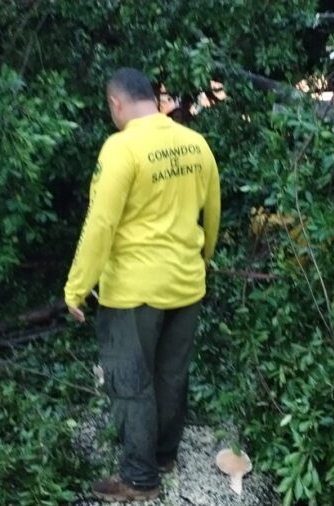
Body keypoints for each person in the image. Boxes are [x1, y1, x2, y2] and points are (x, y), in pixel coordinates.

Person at [64, 67, 221, 502]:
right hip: (186, 285)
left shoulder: (122, 147)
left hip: (133, 292)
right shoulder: (195, 143)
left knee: (130, 381)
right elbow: (213, 214)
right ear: (152, 98)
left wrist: (77, 287)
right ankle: (165, 455)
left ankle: (138, 479)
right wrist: (200, 262)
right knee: (171, 374)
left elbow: (101, 223)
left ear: (116, 103)